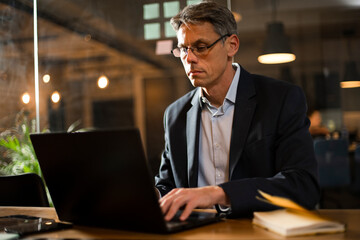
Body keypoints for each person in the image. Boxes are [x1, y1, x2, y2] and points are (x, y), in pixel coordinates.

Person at [155, 1, 320, 221]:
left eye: (201, 47)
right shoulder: (175, 114)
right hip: (193, 232)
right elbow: (167, 187)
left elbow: (302, 186)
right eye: (184, 49)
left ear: (232, 45)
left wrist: (219, 193)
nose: (190, 58)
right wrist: (147, 195)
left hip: (255, 230)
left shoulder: (280, 99)